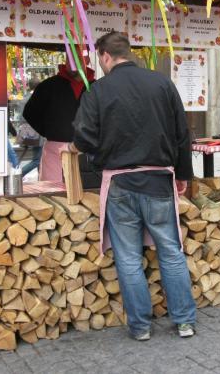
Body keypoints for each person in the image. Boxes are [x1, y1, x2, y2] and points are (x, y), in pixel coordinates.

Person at [69, 31, 196, 341]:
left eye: (99, 59)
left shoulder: (98, 90)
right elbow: (183, 134)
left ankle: (140, 327)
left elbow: (83, 138)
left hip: (120, 184)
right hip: (158, 180)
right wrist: (182, 174)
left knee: (127, 257)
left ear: (105, 56)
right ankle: (184, 322)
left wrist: (101, 153)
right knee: (171, 251)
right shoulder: (162, 83)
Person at [22, 55, 95, 183]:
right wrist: (49, 131)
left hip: (88, 153)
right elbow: (29, 112)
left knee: (88, 194)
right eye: (69, 58)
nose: (72, 63)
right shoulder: (48, 86)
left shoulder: (96, 87)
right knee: (54, 194)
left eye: (76, 58)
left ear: (87, 61)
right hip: (55, 152)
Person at [17, 78, 43, 178]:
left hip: (25, 130)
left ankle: (41, 178)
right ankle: (20, 174)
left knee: (37, 157)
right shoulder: (36, 98)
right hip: (34, 131)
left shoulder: (25, 97)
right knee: (38, 159)